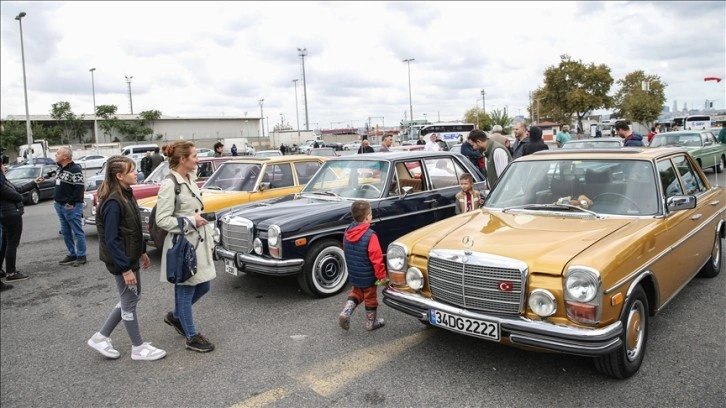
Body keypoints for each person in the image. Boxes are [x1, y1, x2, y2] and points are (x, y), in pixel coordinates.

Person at [87, 156, 166, 361]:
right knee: (130, 301)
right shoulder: (113, 201)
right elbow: (111, 240)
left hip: (129, 257)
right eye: (132, 171)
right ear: (119, 175)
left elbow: (132, 228)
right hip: (121, 261)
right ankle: (138, 347)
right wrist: (125, 269)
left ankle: (101, 336)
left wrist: (141, 251)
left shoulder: (126, 193)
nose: (136, 173)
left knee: (130, 297)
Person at [156, 141, 216, 353]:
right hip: (183, 245)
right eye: (194, 156)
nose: (197, 159)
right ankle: (191, 336)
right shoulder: (170, 184)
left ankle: (176, 316)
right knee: (186, 287)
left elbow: (196, 210)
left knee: (203, 285)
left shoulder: (189, 179)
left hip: (197, 241)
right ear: (182, 159)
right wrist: (190, 221)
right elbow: (162, 220)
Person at [338, 200, 386, 331]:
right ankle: (371, 323)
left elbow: (346, 248)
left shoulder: (348, 231)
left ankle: (345, 313)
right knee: (370, 297)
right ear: (367, 217)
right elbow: (376, 258)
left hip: (354, 273)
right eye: (371, 213)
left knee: (356, 293)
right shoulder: (370, 235)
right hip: (368, 276)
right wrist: (381, 276)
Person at [0, 157, 43, 282]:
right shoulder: (1, 182)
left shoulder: (4, 180)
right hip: (11, 215)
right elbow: (15, 194)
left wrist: (33, 183)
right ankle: (11, 273)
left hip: (7, 214)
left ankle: (3, 270)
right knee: (12, 243)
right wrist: (19, 197)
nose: (4, 167)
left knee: (5, 243)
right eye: (2, 165)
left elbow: (17, 189)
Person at [53, 147, 87, 266]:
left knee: (77, 232)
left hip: (71, 206)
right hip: (59, 205)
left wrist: (71, 202)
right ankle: (72, 254)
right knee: (65, 232)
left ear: (65, 157)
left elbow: (79, 188)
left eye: (58, 153)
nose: (55, 155)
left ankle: (81, 255)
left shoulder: (75, 169)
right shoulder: (60, 168)